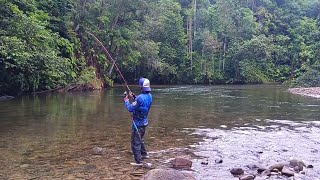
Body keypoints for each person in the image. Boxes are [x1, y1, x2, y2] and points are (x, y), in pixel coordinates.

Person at [124, 78, 153, 165]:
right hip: (144, 123)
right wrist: (134, 97)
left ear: (141, 87)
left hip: (137, 124)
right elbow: (140, 103)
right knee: (141, 139)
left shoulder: (140, 98)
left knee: (135, 143)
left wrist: (126, 100)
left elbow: (130, 108)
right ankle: (144, 154)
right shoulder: (150, 96)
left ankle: (138, 162)